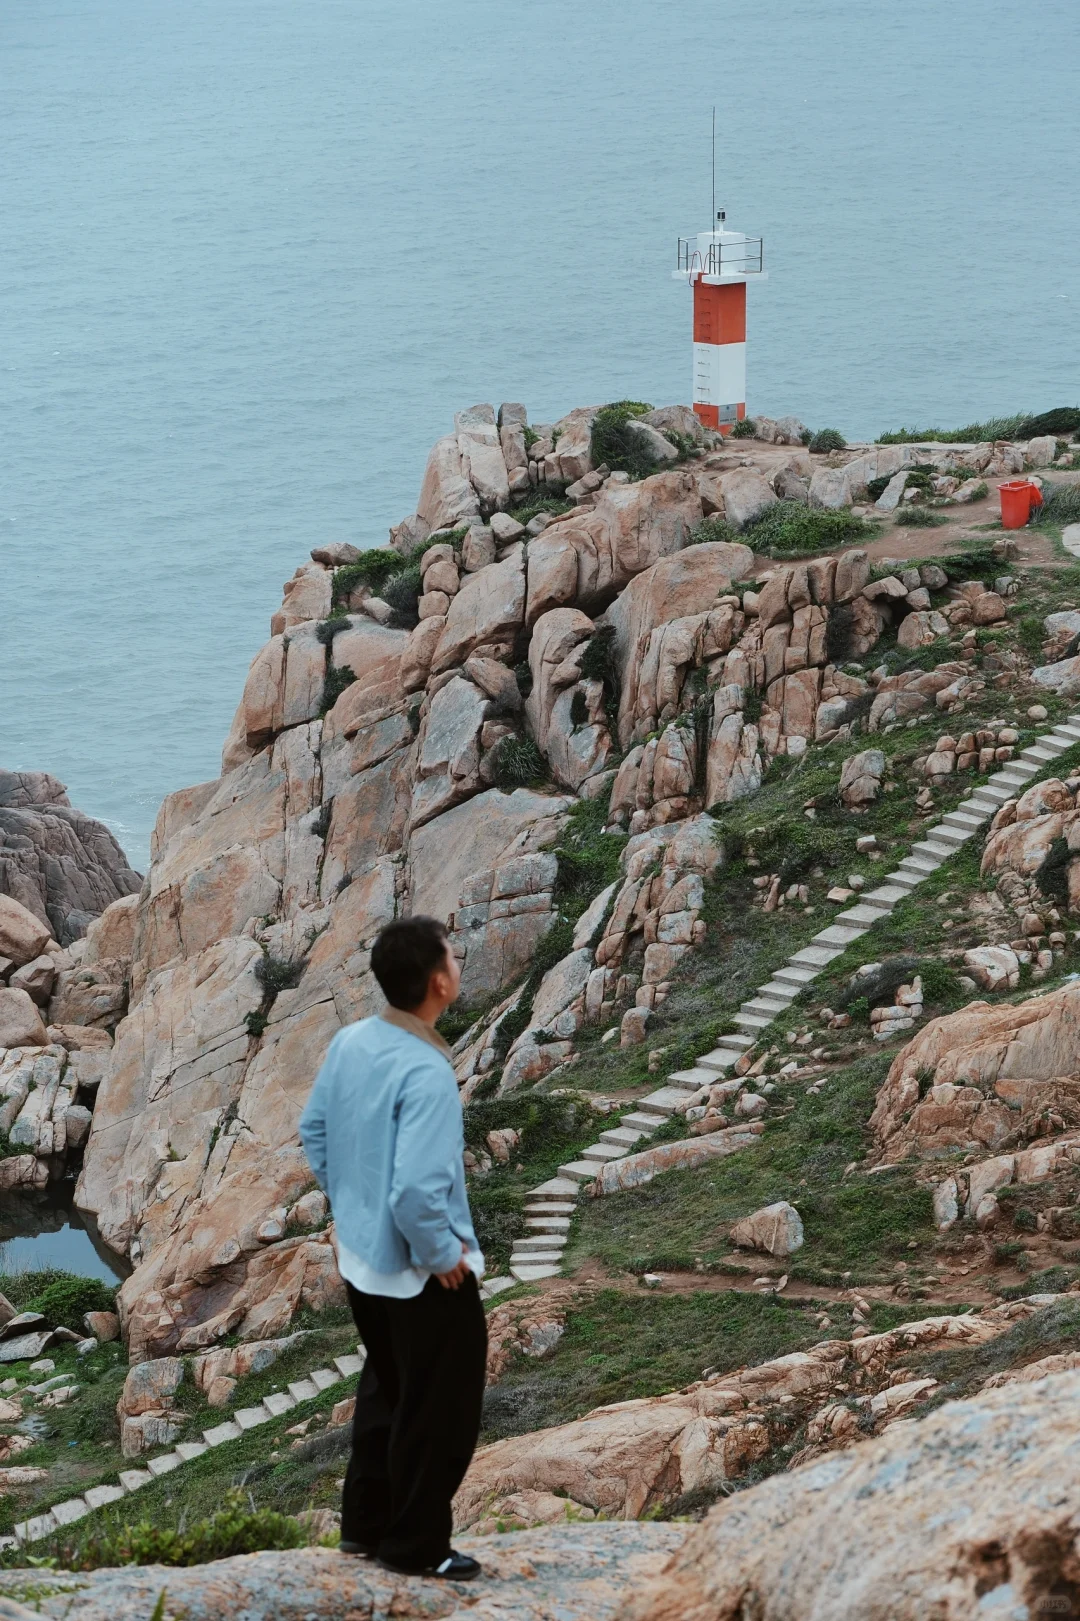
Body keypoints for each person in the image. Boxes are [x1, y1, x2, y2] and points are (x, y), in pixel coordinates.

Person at [299, 915, 487, 1581]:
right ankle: (416, 1546)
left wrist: (354, 1207)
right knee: (440, 1410)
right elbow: (414, 1192)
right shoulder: (426, 1070)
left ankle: (365, 1527)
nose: (458, 964)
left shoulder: (352, 1040)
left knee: (386, 1389)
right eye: (453, 957)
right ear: (438, 982)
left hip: (362, 1260)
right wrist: (442, 1256)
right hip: (419, 1273)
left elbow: (314, 1129)